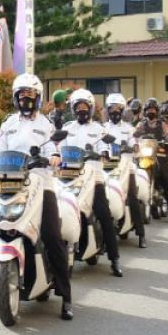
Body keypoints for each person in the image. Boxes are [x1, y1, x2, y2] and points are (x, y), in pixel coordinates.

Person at [0, 73, 72, 320]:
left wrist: (55, 157)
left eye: (31, 95)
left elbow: (52, 148)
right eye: (22, 95)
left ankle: (66, 297)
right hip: (8, 182)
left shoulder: (46, 125)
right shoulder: (9, 123)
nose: (26, 99)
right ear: (16, 98)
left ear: (38, 98)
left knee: (52, 235)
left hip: (39, 184)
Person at [63, 89, 122, 277]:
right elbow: (56, 149)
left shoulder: (99, 129)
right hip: (68, 178)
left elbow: (107, 146)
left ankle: (114, 259)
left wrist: (104, 153)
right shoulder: (66, 128)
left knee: (104, 214)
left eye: (84, 107)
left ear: (90, 108)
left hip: (93, 179)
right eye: (77, 107)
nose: (81, 110)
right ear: (73, 109)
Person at [103, 92, 145, 248]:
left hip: (126, 167)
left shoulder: (128, 129)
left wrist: (133, 146)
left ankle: (141, 235)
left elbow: (135, 144)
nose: (114, 112)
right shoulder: (103, 129)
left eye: (117, 109)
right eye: (111, 109)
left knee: (132, 197)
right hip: (107, 168)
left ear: (122, 111)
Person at [134, 98, 168, 223]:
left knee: (166, 180)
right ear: (145, 111)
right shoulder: (141, 124)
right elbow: (134, 135)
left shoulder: (162, 123)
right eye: (149, 110)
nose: (151, 112)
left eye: (153, 109)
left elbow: (167, 134)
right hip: (144, 155)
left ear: (157, 111)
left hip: (159, 154)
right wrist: (133, 141)